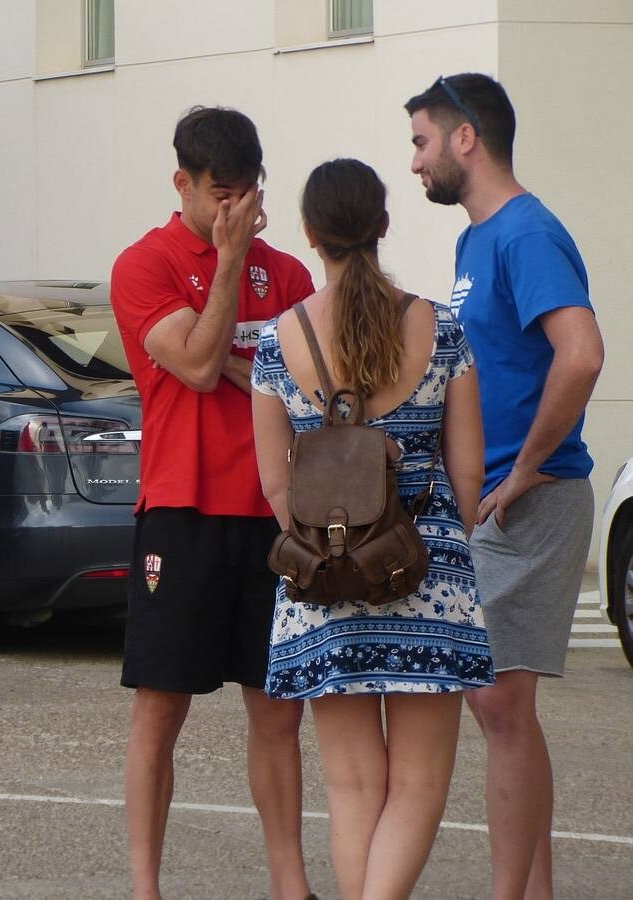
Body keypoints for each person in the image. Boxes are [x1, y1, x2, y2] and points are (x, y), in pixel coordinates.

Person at [251, 158, 495, 900]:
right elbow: (468, 476)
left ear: (310, 236)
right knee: (418, 785)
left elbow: (275, 484)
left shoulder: (276, 340)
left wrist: (334, 548)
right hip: (428, 576)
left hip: (323, 582)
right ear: (384, 226)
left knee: (353, 788)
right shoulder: (440, 328)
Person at [405, 74, 604, 899]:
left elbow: (582, 354)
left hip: (535, 496)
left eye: (420, 141)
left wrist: (522, 470)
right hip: (491, 496)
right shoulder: (474, 241)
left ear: (465, 139)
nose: (413, 162)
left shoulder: (526, 234)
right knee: (503, 707)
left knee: (496, 704)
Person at [111, 106, 317, 900]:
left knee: (277, 713)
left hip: (275, 515)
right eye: (219, 194)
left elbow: (311, 387)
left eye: (249, 194)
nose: (236, 211)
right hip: (181, 508)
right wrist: (230, 278)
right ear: (183, 185)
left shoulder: (291, 275)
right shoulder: (145, 264)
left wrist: (243, 358)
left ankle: (290, 885)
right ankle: (145, 887)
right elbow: (198, 367)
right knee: (161, 709)